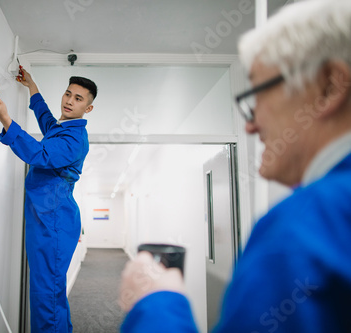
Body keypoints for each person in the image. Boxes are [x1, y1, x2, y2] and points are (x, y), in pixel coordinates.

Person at [118, 0, 351, 332]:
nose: (250, 127)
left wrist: (156, 301)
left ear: (329, 87)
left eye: (257, 94)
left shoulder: (307, 226)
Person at [0, 69, 97, 332]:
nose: (69, 101)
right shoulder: (61, 129)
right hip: (45, 218)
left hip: (54, 222)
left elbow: (39, 153)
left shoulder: (74, 139)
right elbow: (44, 116)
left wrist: (4, 118)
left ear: (88, 108)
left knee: (46, 293)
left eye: (78, 98)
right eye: (68, 94)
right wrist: (32, 86)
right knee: (48, 289)